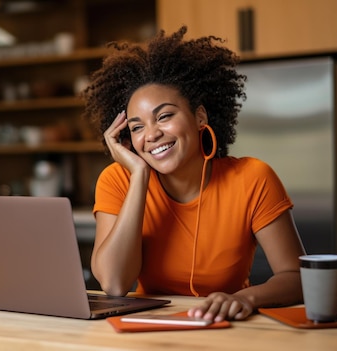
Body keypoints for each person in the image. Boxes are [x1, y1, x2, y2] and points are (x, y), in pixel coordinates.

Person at [81, 26, 306, 322]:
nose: (152, 134)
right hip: (146, 327)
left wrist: (243, 299)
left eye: (164, 116)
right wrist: (138, 176)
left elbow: (296, 277)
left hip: (228, 326)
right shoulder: (118, 180)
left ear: (199, 116)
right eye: (137, 127)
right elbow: (114, 284)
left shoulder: (253, 178)